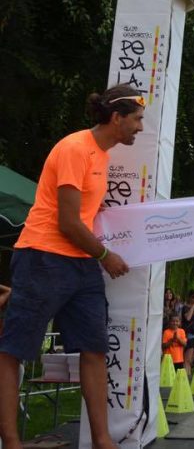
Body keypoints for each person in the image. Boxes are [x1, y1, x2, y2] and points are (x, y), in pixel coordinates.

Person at [0, 85, 144, 449]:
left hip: (80, 265)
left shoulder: (102, 155)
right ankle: (13, 442)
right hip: (43, 258)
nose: (140, 127)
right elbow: (68, 221)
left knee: (95, 349)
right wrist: (105, 256)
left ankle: (102, 441)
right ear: (117, 118)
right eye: (137, 119)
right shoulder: (75, 148)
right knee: (14, 350)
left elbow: (85, 218)